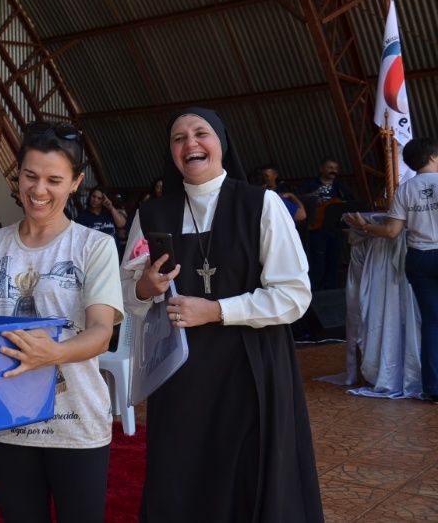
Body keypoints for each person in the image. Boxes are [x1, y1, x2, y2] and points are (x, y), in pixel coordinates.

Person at [121, 107, 322, 522]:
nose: (190, 143)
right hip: (179, 372)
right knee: (181, 472)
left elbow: (294, 295)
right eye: (179, 138)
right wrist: (145, 288)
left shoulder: (261, 204)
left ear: (222, 144)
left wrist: (215, 310)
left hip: (251, 366)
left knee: (246, 471)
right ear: (172, 153)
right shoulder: (152, 215)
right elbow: (126, 296)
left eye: (201, 133)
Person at [0, 121, 122, 522]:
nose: (39, 190)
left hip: (76, 422)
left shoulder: (93, 246)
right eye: (30, 176)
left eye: (54, 179)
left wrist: (54, 353)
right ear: (17, 176)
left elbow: (101, 333)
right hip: (3, 420)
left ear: (75, 182)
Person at [345, 136, 438, 403]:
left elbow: (390, 231)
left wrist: (364, 227)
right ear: (432, 156)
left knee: (432, 323)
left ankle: (433, 388)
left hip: (419, 258)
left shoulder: (405, 189)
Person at [298, 157, 355, 289]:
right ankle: (316, 291)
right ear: (321, 168)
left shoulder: (339, 185)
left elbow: (349, 201)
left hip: (334, 229)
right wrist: (312, 199)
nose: (333, 171)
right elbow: (298, 199)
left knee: (333, 261)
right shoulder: (312, 184)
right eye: (330, 168)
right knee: (317, 261)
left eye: (335, 168)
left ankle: (332, 290)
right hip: (316, 228)